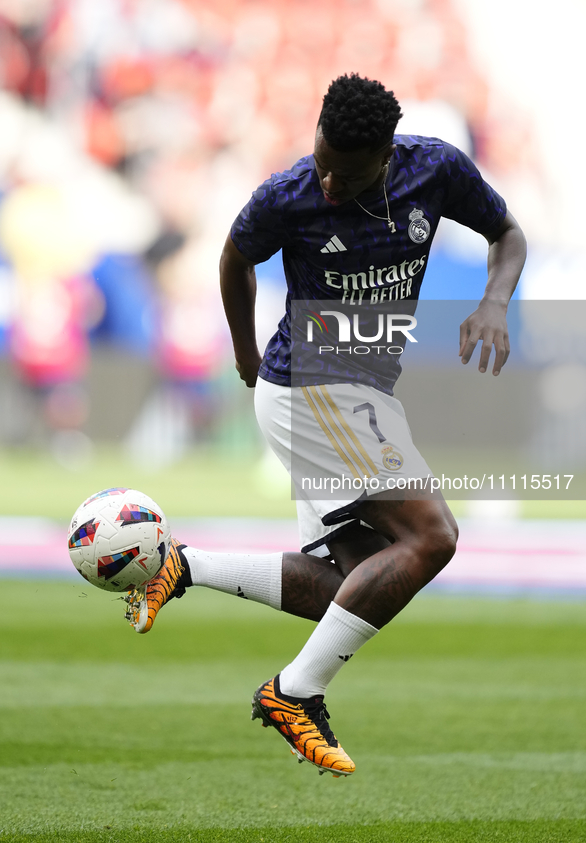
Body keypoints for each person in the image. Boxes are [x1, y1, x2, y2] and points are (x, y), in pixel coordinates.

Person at [123, 74, 526, 778]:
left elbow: (507, 234)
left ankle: (183, 565)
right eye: (322, 159)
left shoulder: (435, 170)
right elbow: (233, 259)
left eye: (347, 171)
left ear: (386, 155)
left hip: (359, 390)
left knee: (348, 579)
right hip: (314, 386)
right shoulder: (289, 194)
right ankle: (294, 693)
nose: (329, 181)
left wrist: (494, 301)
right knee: (432, 536)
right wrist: (245, 351)